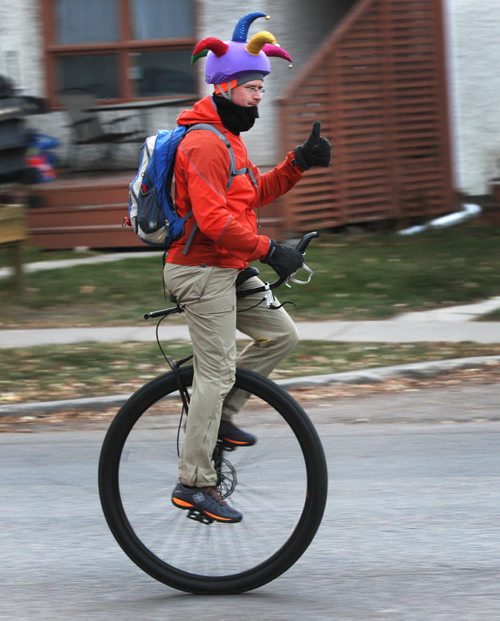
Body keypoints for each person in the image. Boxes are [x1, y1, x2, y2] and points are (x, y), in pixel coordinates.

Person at [166, 12, 331, 523]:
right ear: (227, 86)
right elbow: (215, 220)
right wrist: (269, 249)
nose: (260, 94)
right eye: (253, 86)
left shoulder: (229, 138)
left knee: (282, 335)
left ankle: (221, 420)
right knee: (214, 372)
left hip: (227, 265)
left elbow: (251, 193)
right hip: (199, 270)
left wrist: (297, 162)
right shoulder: (202, 143)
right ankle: (193, 482)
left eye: (262, 86)